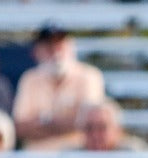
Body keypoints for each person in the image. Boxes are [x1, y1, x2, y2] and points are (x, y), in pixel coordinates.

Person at [12, 23, 105, 151]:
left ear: (71, 46)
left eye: (60, 44)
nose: (56, 51)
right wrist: (67, 122)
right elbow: (20, 127)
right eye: (49, 46)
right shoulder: (29, 79)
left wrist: (43, 120)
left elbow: (89, 122)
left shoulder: (89, 76)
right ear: (37, 51)